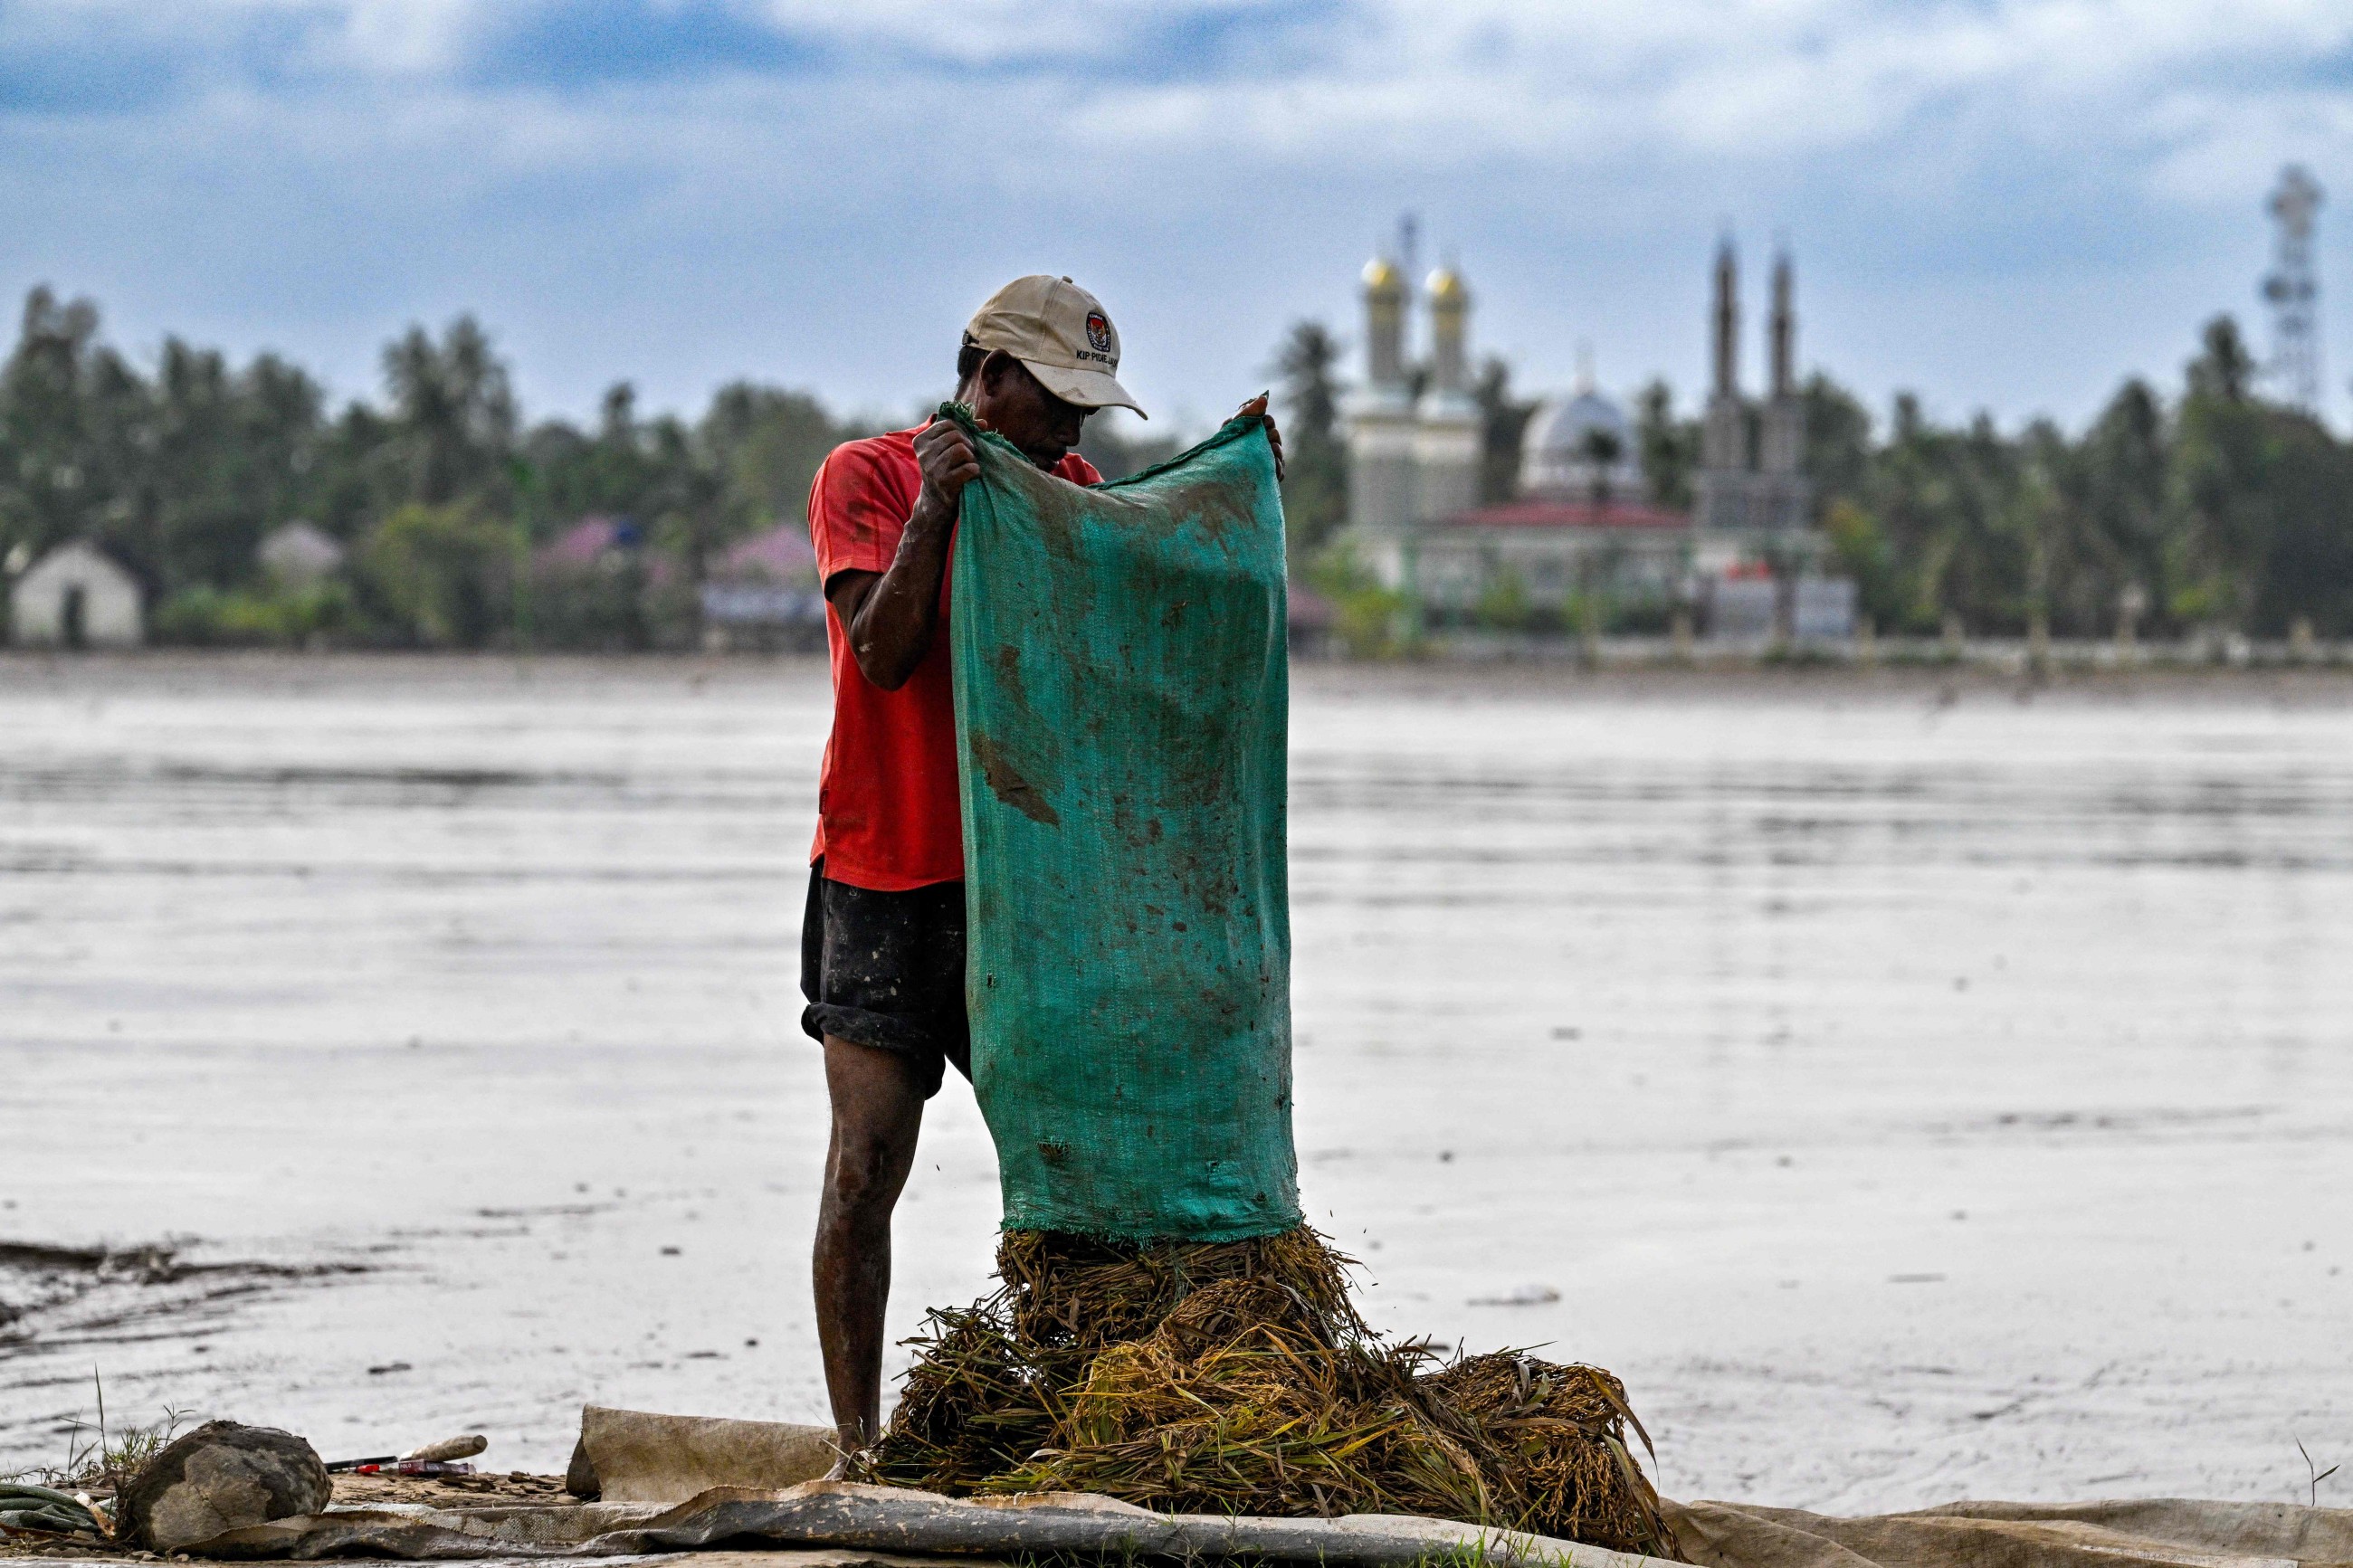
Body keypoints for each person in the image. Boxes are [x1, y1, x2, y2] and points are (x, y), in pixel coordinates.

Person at [800, 274, 1281, 1463]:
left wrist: (1232, 484)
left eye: (1088, 404)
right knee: (867, 1163)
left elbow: (1156, 607)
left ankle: (1082, 1416)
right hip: (882, 873)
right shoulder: (865, 477)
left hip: (1036, 887)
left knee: (1074, 1167)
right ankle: (859, 1448)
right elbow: (883, 654)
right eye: (1056, 395)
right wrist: (935, 518)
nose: (1074, 427)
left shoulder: (1069, 497)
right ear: (987, 372)